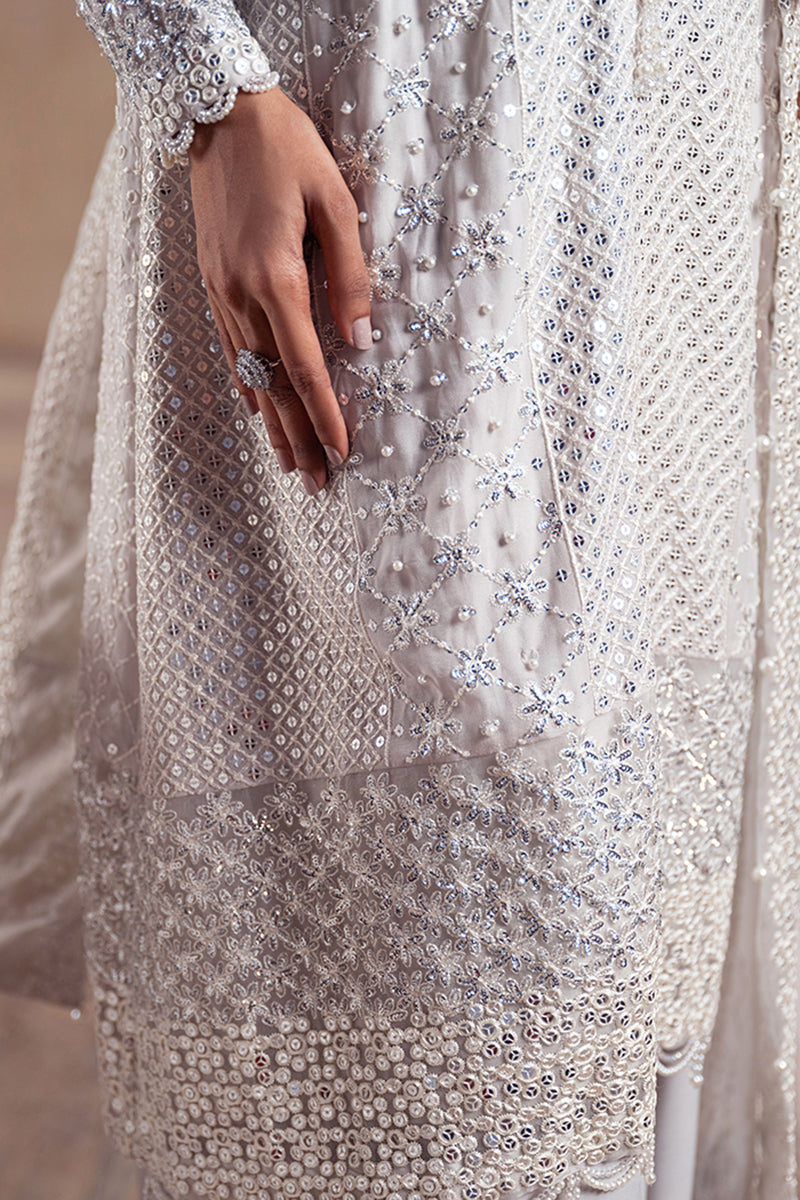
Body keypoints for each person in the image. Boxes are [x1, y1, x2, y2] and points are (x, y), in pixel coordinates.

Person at [0, 1, 797, 1197]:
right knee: (414, 1041)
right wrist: (209, 93)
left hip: (677, 164)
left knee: (628, 994)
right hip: (374, 139)